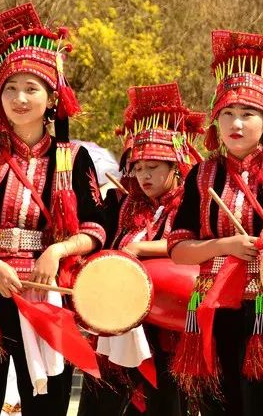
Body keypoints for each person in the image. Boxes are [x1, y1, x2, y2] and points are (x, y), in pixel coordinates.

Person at [0, 3, 105, 416]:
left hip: (47, 293)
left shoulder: (75, 158)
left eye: (32, 88)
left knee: (45, 406)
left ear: (53, 98)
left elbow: (96, 229)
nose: (19, 98)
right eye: (10, 88)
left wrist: (57, 251)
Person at [167, 29, 263, 416]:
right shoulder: (201, 175)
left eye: (248, 114)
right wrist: (223, 246)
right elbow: (178, 250)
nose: (236, 123)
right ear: (216, 120)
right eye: (228, 114)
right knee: (221, 405)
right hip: (215, 306)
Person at [78, 82, 204, 416]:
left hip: (168, 323)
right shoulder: (123, 203)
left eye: (154, 168)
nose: (144, 176)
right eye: (138, 167)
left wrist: (142, 249)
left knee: (163, 403)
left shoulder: (191, 201)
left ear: (176, 167)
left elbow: (192, 242)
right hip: (121, 319)